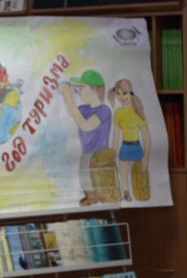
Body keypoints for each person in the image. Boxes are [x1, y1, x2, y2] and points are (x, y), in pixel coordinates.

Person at [61, 70, 112, 206]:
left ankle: (95, 196)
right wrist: (66, 96)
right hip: (87, 150)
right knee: (84, 175)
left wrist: (70, 99)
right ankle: (90, 197)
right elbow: (72, 112)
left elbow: (86, 126)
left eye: (82, 88)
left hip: (99, 153)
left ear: (94, 90)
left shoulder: (104, 110)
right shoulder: (84, 108)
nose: (79, 92)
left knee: (93, 177)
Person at [108, 79, 151, 201]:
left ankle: (138, 194)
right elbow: (116, 137)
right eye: (118, 94)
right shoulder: (118, 113)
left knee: (138, 174)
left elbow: (146, 136)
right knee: (123, 173)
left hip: (137, 147)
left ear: (131, 92)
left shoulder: (137, 111)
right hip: (125, 147)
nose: (121, 97)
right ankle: (126, 192)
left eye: (124, 93)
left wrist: (146, 156)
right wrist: (112, 155)